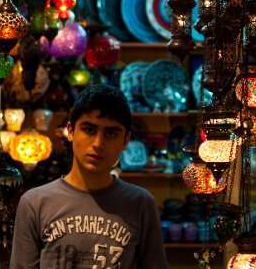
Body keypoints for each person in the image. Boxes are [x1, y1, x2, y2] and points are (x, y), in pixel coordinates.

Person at [10, 84, 169, 269]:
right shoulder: (35, 203)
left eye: (111, 133)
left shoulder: (140, 203)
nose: (98, 143)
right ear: (70, 131)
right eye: (89, 129)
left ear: (125, 139)